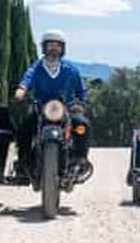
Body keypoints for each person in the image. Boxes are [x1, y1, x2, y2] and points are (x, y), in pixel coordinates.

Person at [12, 29, 89, 180]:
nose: (54, 48)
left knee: (82, 125)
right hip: (41, 108)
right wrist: (21, 90)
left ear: (62, 48)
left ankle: (79, 159)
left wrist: (82, 102)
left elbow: (81, 90)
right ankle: (24, 161)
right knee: (24, 128)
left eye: (57, 45)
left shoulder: (71, 69)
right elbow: (27, 79)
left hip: (66, 108)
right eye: (50, 45)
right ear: (44, 48)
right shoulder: (37, 67)